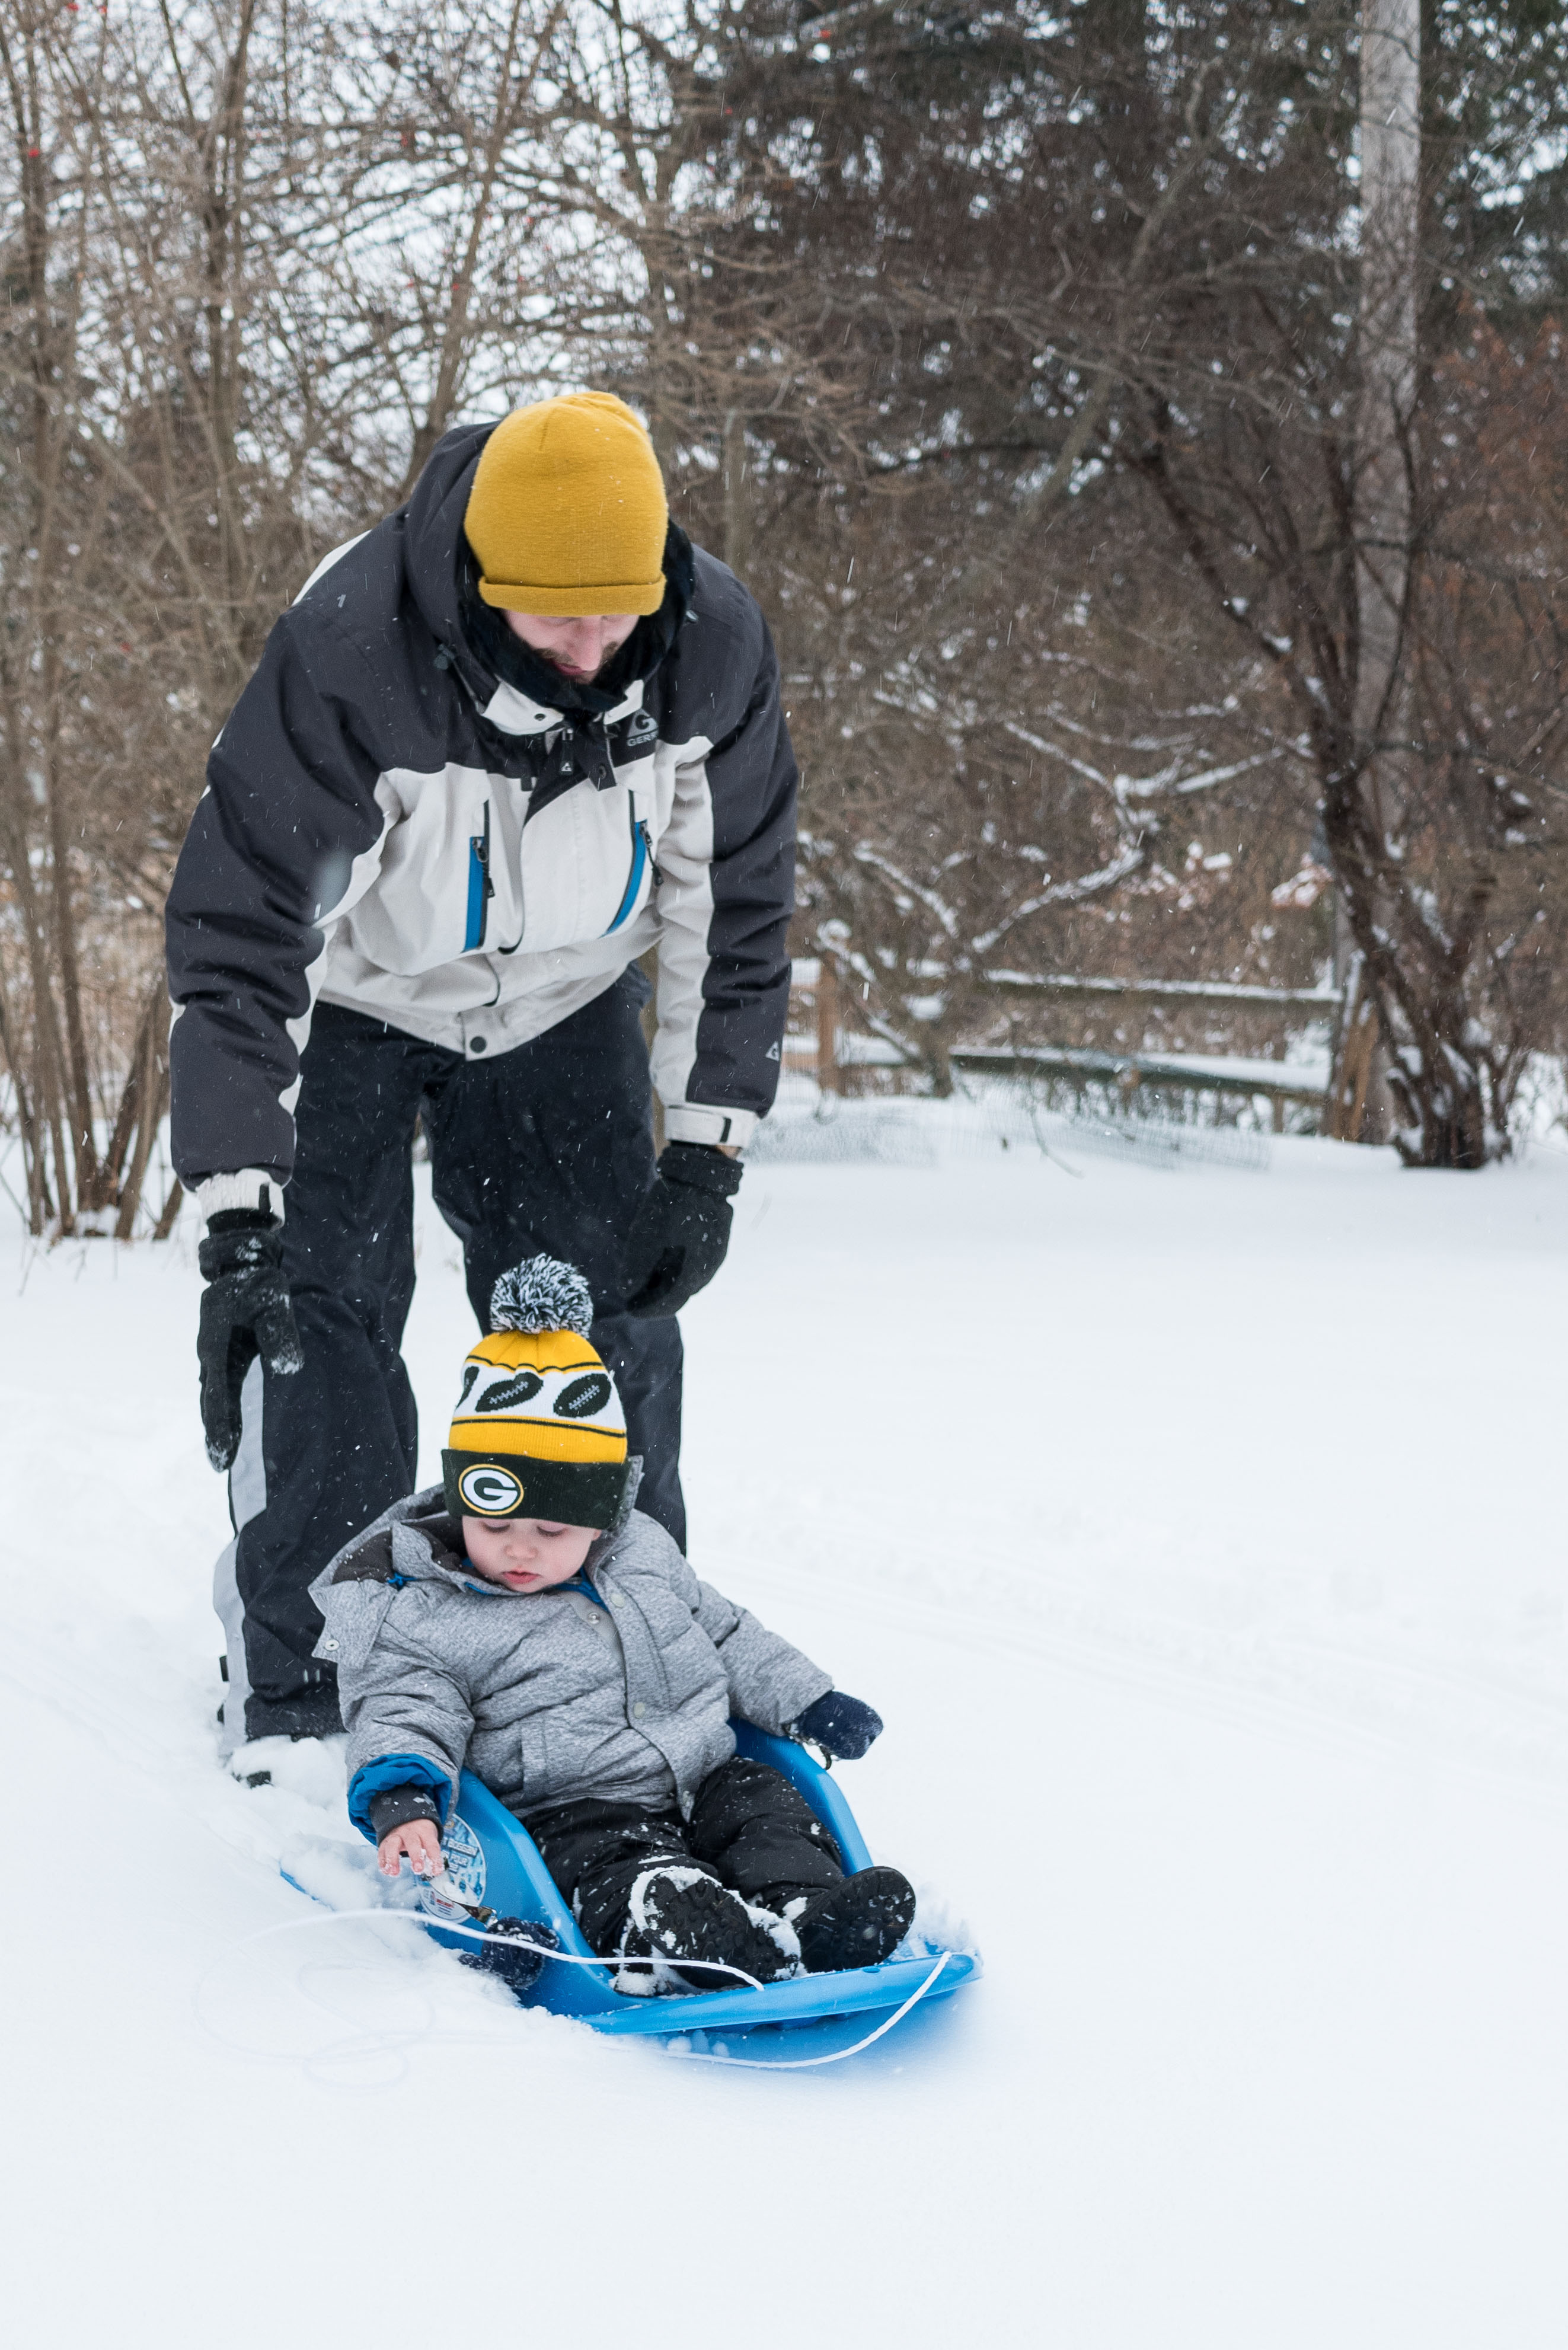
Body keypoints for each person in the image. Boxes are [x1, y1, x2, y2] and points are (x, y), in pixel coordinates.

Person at [164, 391, 798, 1753]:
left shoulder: (706, 650)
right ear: (484, 587)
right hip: (357, 999)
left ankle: (626, 1658)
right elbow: (242, 938)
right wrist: (236, 1216)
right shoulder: (352, 659)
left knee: (602, 1328)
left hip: (565, 1002)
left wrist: (704, 1151)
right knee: (323, 1327)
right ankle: (304, 1680)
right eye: (556, 621)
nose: (591, 651)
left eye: (615, 616)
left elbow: (732, 911)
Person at [311, 1256, 917, 1990]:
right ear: (461, 1500)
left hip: (701, 1773)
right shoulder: (424, 1611)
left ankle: (801, 1914)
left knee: (766, 1806)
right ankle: (668, 1934)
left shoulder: (643, 1553)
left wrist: (808, 1700)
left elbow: (725, 1631)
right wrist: (401, 1793)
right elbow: (402, 1705)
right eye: (494, 1522)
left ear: (600, 1520)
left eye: (551, 1528)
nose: (521, 1547)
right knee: (618, 1863)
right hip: (571, 1805)